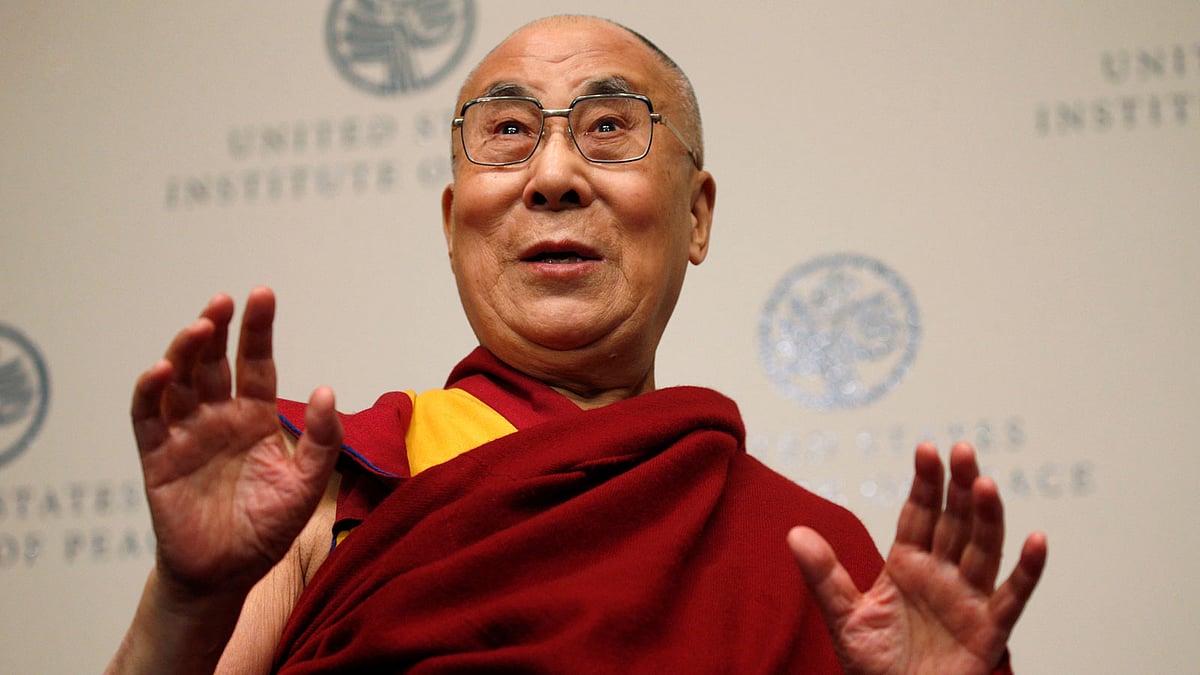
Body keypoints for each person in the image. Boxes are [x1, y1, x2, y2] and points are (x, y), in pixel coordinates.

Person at [106, 14, 1047, 674]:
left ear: (696, 215)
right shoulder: (327, 482)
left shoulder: (815, 558)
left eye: (609, 128)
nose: (553, 174)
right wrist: (189, 599)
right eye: (507, 132)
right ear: (452, 222)